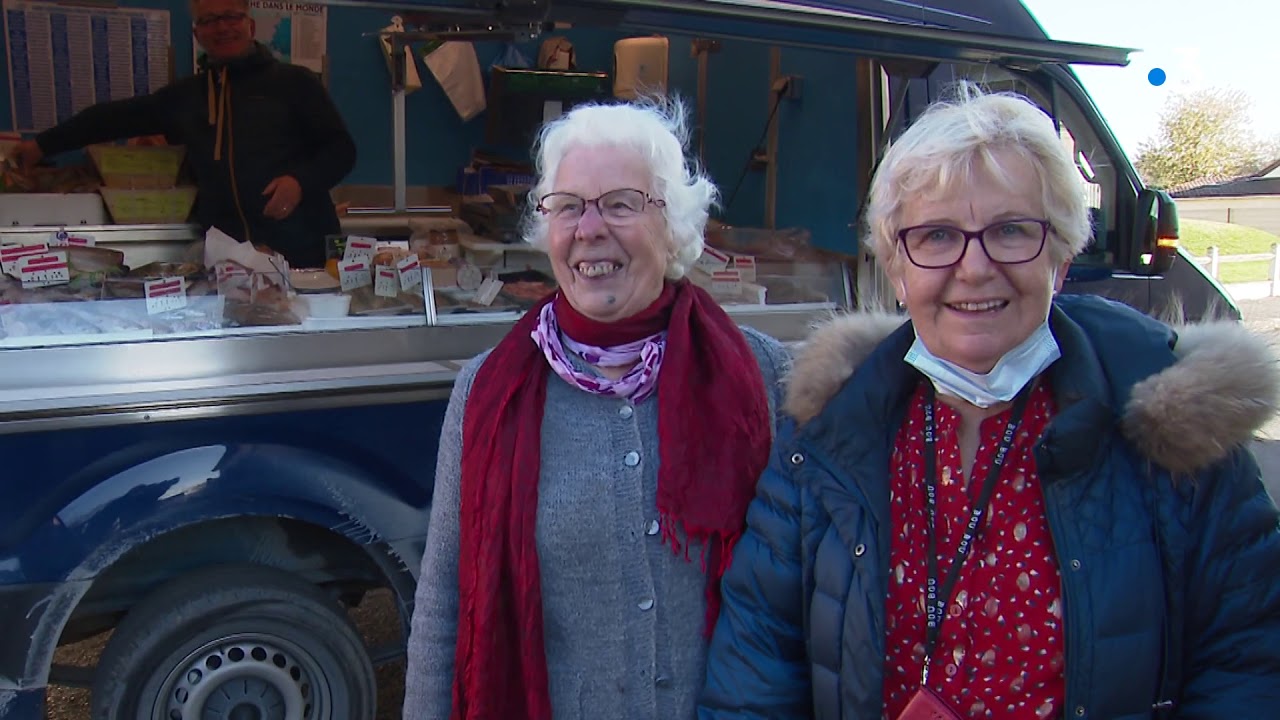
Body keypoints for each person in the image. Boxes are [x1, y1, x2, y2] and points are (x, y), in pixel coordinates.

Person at [698, 85, 1280, 719]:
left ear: (1059, 258)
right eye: (937, 236)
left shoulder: (1173, 435)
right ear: (897, 268)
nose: (973, 268)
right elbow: (757, 672)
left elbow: (1248, 664)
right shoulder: (825, 438)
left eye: (1009, 230)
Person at [402, 98, 790, 720]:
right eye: (569, 206)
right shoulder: (487, 394)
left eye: (621, 203)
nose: (589, 229)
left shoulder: (763, 374)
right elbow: (445, 599)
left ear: (673, 223)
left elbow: (809, 588)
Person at [6, 0, 355, 268]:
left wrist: (299, 181)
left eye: (231, 16)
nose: (222, 27)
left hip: (303, 253)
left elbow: (341, 150)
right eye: (209, 20)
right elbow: (110, 119)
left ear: (249, 25)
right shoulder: (186, 98)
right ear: (197, 34)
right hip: (229, 261)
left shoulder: (295, 83)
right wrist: (42, 145)